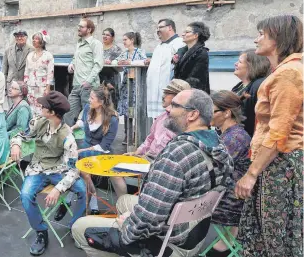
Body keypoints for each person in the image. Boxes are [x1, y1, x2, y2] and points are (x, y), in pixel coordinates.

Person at [72, 89, 234, 257]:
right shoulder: (219, 146)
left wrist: (127, 225)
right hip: (194, 234)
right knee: (123, 201)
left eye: (174, 105)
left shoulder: (176, 155)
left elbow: (149, 218)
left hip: (170, 243)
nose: (168, 110)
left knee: (79, 227)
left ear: (192, 114)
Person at [235, 15, 303, 257]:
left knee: (275, 239)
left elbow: (279, 132)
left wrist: (251, 174)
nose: (256, 39)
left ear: (277, 38)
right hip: (275, 163)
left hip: (279, 165)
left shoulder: (288, 74)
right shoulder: (283, 71)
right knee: (266, 237)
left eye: (261, 34)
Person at [10, 91, 86, 256]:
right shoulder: (38, 122)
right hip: (38, 169)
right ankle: (41, 231)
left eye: (43, 105)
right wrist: (15, 144)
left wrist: (58, 189)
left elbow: (74, 169)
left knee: (82, 190)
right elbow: (20, 135)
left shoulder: (68, 137)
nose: (40, 106)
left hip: (59, 170)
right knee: (25, 195)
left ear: (52, 113)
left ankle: (75, 227)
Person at [54, 85, 119, 220]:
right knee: (83, 171)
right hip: (86, 148)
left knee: (78, 164)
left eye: (92, 98)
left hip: (102, 153)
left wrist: (81, 150)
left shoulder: (112, 119)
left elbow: (103, 146)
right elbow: (83, 122)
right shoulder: (88, 109)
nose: (89, 100)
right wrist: (72, 128)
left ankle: (67, 200)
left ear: (101, 102)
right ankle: (91, 205)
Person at [207, 90, 251, 256]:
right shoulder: (232, 134)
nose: (207, 114)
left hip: (228, 202)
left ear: (226, 113)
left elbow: (211, 170)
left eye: (211, 111)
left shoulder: (234, 138)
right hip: (231, 197)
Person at [64, 18, 104, 126]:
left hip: (89, 86)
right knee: (68, 112)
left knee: (89, 115)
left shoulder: (96, 44)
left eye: (81, 27)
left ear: (89, 29)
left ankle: (89, 139)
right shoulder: (79, 43)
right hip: (77, 85)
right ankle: (68, 138)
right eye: (79, 26)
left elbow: (98, 64)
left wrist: (88, 81)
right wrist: (71, 64)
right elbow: (75, 59)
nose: (79, 28)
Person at [145, 19, 185, 119]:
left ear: (170, 27)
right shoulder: (159, 46)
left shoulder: (179, 43)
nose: (158, 30)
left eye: (160, 27)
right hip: (154, 89)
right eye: (157, 28)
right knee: (157, 119)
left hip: (167, 87)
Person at [231, 49, 270, 137]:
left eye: (240, 62)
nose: (235, 64)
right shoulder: (240, 86)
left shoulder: (258, 85)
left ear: (252, 65)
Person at [116, 32, 146, 144]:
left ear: (132, 40)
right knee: (126, 110)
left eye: (125, 40)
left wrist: (131, 62)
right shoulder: (124, 53)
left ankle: (136, 134)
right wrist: (117, 63)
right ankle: (127, 134)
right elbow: (117, 63)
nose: (124, 42)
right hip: (126, 84)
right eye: (123, 40)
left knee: (136, 109)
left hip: (136, 85)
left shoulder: (140, 52)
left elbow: (145, 62)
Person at [173, 22, 211, 94]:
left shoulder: (201, 53)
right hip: (180, 91)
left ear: (196, 35)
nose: (183, 34)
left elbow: (196, 79)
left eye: (187, 32)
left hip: (193, 94)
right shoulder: (182, 51)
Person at [24, 30, 54, 115]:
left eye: (36, 39)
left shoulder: (48, 55)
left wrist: (48, 88)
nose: (33, 40)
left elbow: (50, 73)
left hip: (42, 87)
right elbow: (26, 71)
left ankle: (41, 126)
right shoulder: (30, 55)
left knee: (41, 108)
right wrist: (26, 84)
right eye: (33, 39)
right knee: (31, 108)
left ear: (42, 41)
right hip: (30, 87)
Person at [99, 28, 122, 109]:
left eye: (107, 35)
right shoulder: (98, 48)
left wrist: (112, 61)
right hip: (99, 78)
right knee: (100, 103)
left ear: (113, 37)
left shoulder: (116, 49)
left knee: (111, 102)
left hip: (112, 78)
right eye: (104, 34)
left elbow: (120, 62)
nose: (105, 36)